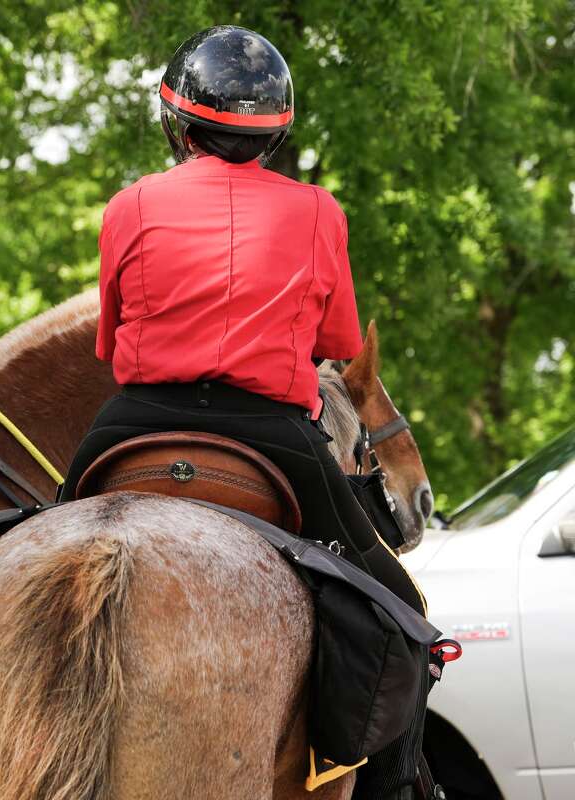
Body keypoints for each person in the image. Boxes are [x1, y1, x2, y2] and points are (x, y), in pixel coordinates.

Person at [60, 26, 427, 800]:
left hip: (133, 422)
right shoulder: (319, 212)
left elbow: (107, 340)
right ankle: (400, 788)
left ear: (176, 122)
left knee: (36, 544)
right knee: (402, 611)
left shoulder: (128, 205)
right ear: (277, 129)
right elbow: (336, 341)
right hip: (267, 431)